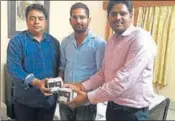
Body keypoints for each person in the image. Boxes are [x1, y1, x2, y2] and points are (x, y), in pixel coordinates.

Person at [64, 0, 157, 120]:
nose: (118, 17)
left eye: (122, 13)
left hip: (133, 112)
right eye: (113, 14)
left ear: (131, 16)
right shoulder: (112, 40)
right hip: (112, 106)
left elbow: (123, 81)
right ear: (108, 17)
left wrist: (88, 97)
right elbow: (104, 73)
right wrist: (81, 87)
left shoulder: (141, 39)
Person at [7, 3, 60, 121]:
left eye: (40, 18)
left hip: (48, 101)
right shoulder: (16, 42)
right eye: (32, 18)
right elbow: (13, 68)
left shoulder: (54, 42)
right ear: (26, 20)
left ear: (45, 21)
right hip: (25, 102)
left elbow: (58, 68)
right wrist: (36, 82)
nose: (36, 22)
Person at [59, 2, 106, 121]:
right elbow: (62, 67)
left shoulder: (99, 43)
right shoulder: (65, 42)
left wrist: (85, 91)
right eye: (75, 17)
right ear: (70, 20)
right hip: (65, 97)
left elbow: (101, 73)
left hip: (85, 100)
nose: (78, 21)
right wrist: (59, 86)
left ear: (89, 20)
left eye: (82, 17)